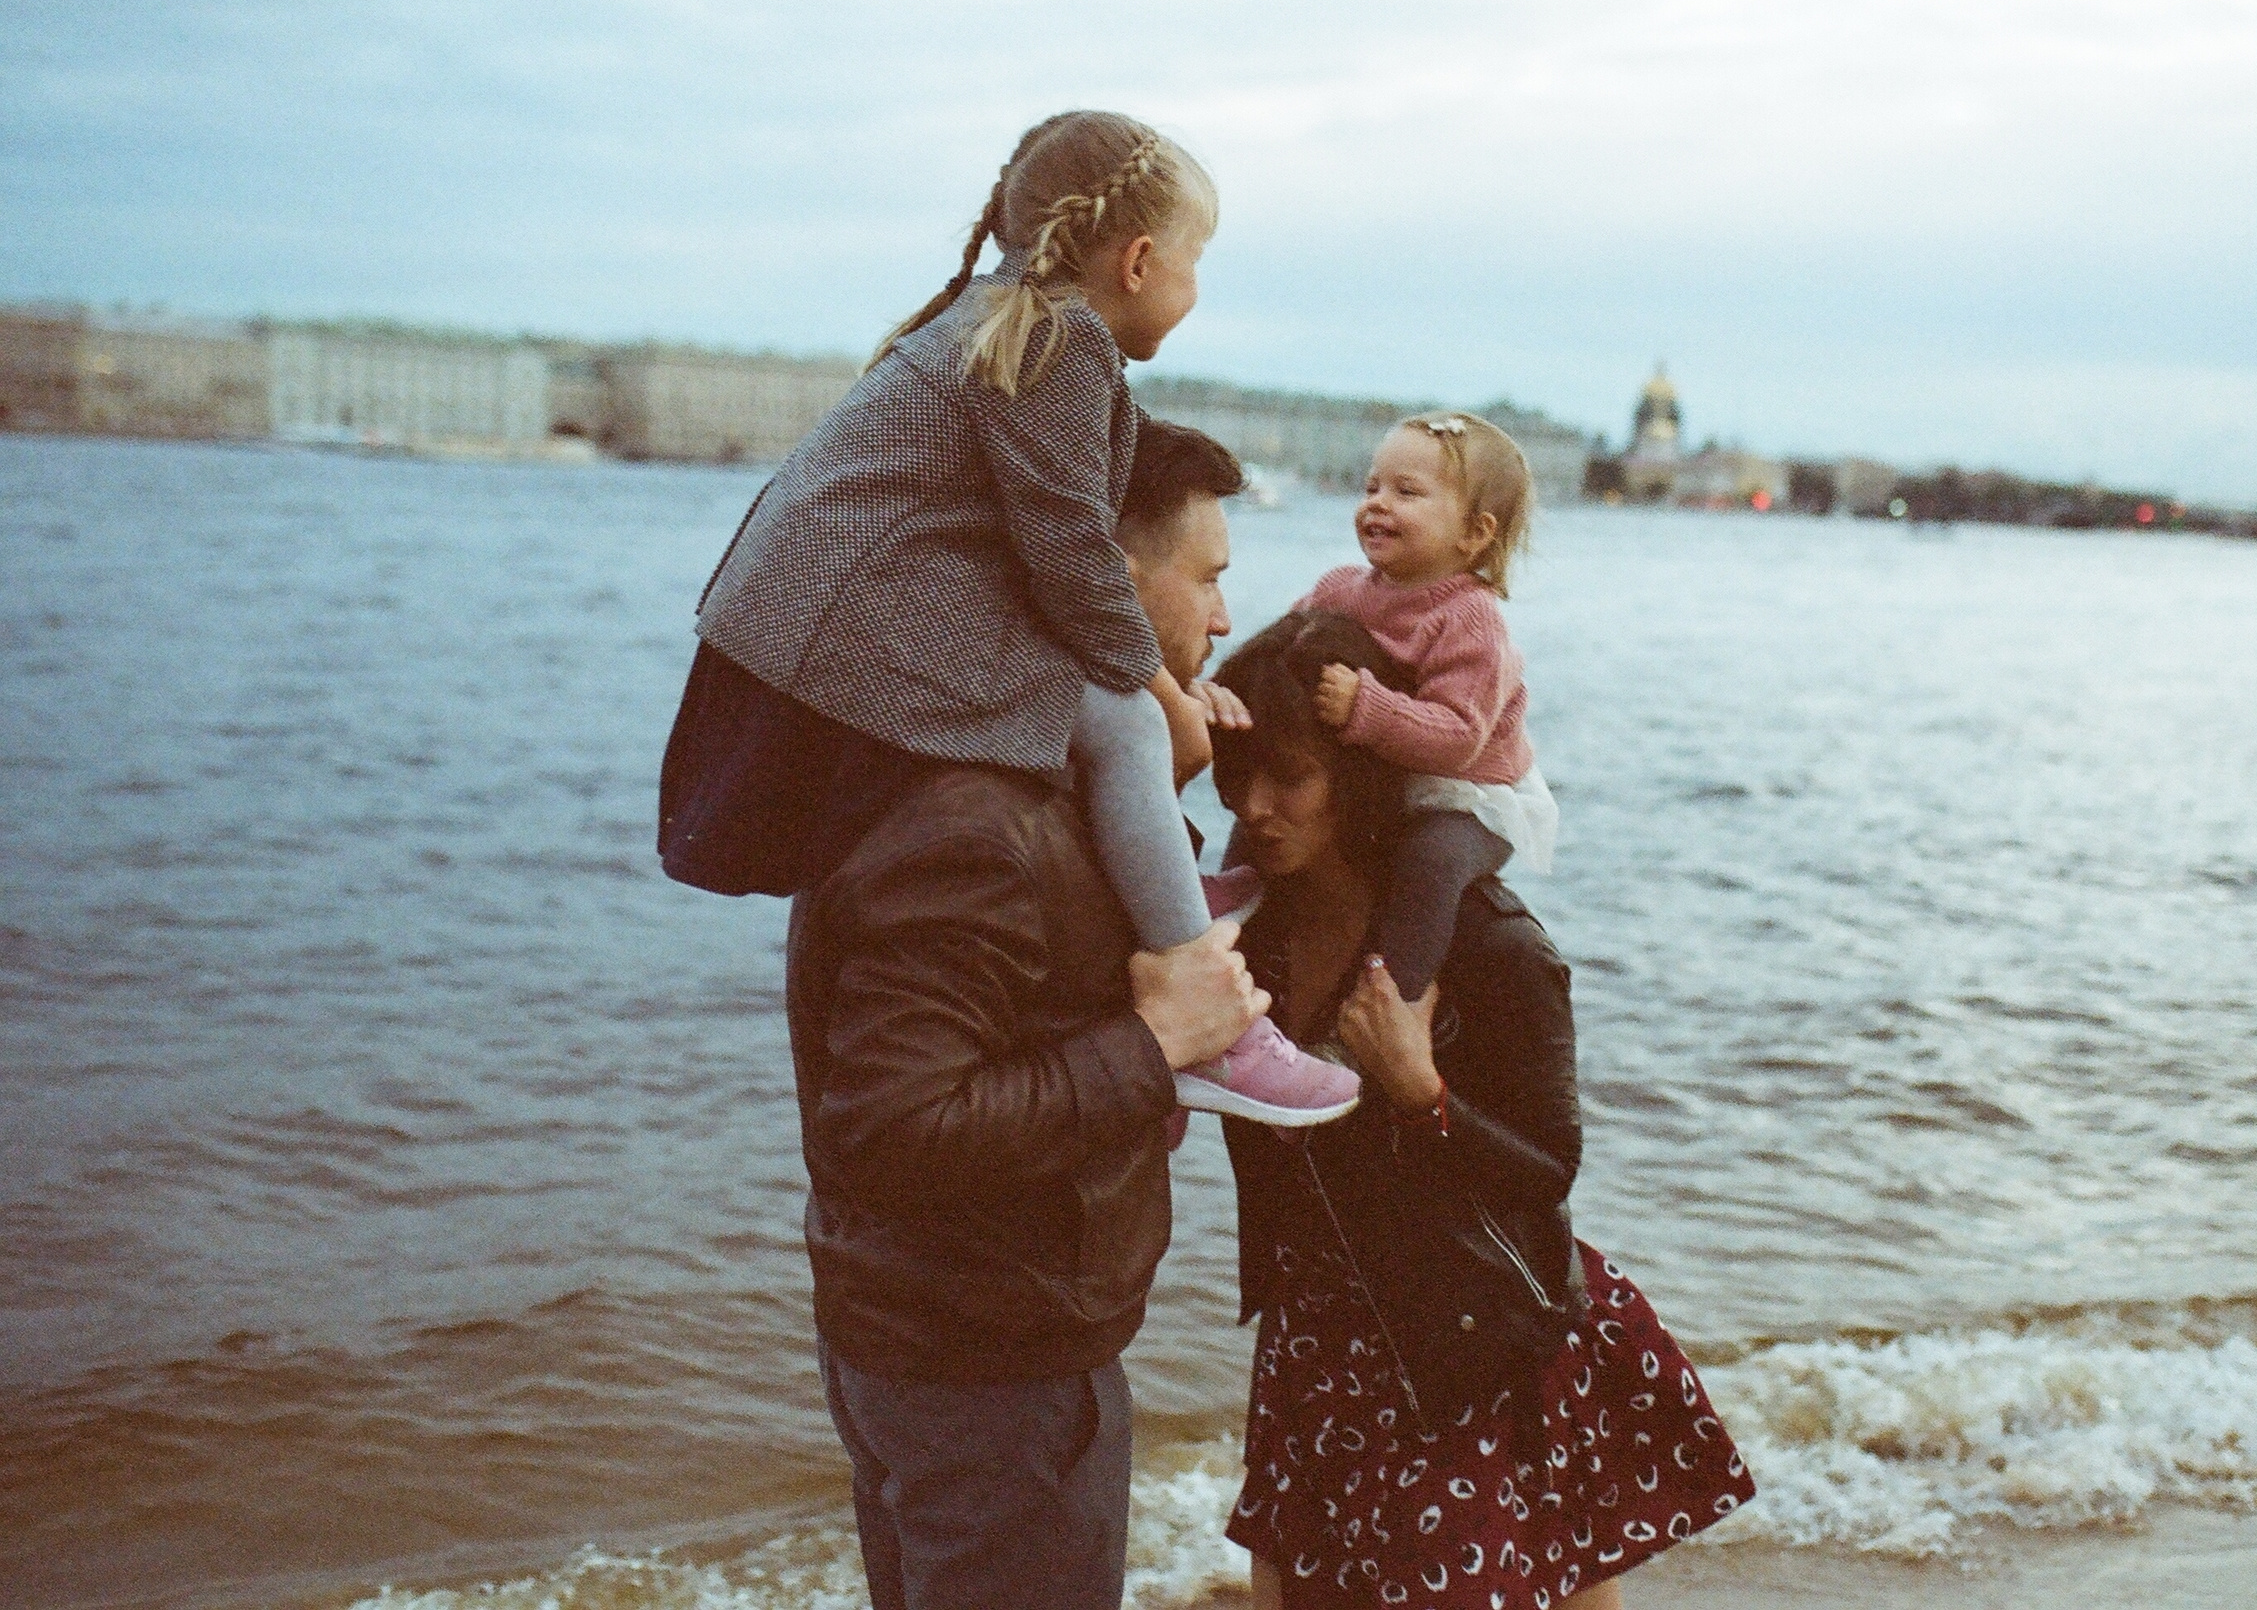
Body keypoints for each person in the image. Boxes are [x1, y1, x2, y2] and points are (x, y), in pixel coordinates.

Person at [661, 108, 1356, 1126]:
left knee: (1099, 705)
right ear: (1140, 257)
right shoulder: (1059, 341)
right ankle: (1199, 993)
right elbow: (1074, 557)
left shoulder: (999, 317)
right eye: (1195, 262)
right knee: (1121, 717)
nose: (1194, 288)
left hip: (825, 619)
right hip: (856, 626)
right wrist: (1161, 688)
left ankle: (1151, 877)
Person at [785, 428, 1261, 1610]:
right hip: (990, 1371)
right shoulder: (972, 816)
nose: (1222, 618)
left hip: (945, 1338)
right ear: (1098, 572)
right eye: (1204, 577)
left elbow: (1040, 972)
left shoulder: (990, 765)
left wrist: (1159, 787)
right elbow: (890, 1128)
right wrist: (1157, 1048)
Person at [1207, 611, 1755, 1610]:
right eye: (1236, 773)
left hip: (1462, 1329)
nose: (1254, 804)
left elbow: (1548, 1166)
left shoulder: (1488, 942)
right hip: (1316, 1334)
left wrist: (1423, 1094)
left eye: (1287, 775)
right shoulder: (1253, 930)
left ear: (1357, 771)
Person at [1289, 411, 1555, 1006]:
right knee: (1282, 800)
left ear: (1474, 533)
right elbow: (1280, 652)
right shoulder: (1341, 589)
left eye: (1406, 492)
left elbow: (1459, 736)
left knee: (1431, 857)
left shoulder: (1471, 619)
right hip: (1387, 776)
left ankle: (1388, 1001)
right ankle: (1241, 896)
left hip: (1471, 796)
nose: (1378, 503)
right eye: (1372, 487)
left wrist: (1368, 707)